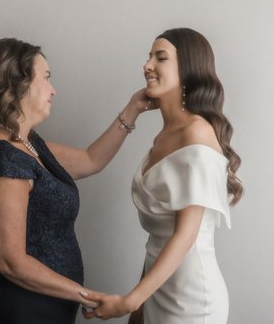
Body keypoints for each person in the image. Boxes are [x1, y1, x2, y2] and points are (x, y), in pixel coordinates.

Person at [0, 37, 154, 324]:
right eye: (46, 79)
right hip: (12, 310)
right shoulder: (2, 157)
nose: (53, 90)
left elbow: (90, 160)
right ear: (19, 84)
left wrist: (133, 108)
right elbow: (10, 261)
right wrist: (86, 294)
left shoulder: (27, 143)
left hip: (42, 308)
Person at [82, 28, 243, 323]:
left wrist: (131, 301)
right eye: (148, 57)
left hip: (193, 299)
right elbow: (159, 239)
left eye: (161, 57)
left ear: (188, 69)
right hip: (157, 291)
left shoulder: (196, 131)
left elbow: (185, 235)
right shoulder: (162, 137)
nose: (147, 66)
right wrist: (141, 306)